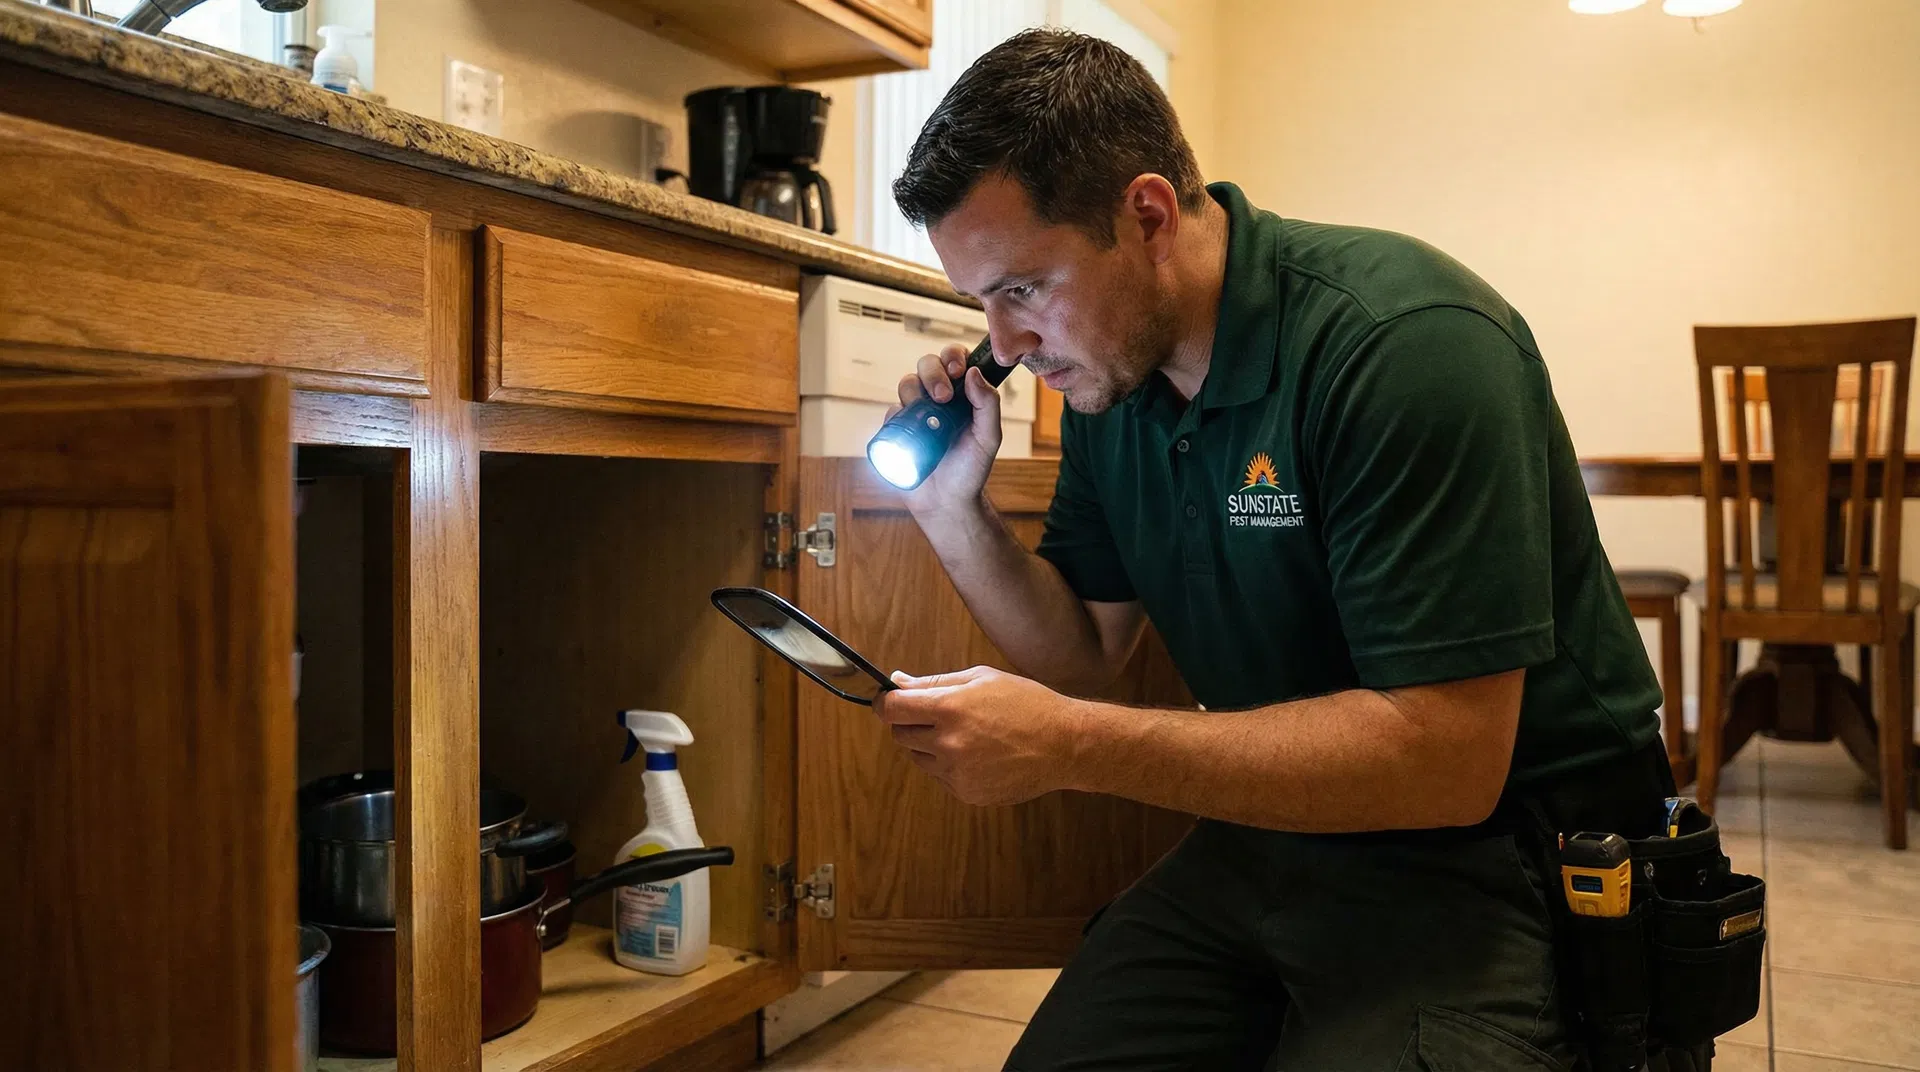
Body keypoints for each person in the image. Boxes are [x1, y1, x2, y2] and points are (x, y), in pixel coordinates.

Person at [870, 27, 1679, 1072]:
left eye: (1022, 288)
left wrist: (1075, 746)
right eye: (981, 302)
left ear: (1148, 216)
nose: (1004, 344)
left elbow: (1446, 762)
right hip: (1285, 826)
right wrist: (949, 510)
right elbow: (1082, 654)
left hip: (1510, 847)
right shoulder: (1113, 381)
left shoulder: (1404, 341)